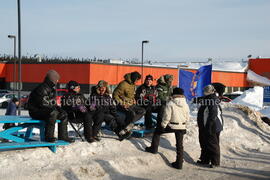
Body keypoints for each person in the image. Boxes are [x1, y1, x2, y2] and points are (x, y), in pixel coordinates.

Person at [145, 88, 190, 169]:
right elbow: (187, 117)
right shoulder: (186, 104)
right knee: (180, 145)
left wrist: (163, 126)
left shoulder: (170, 103)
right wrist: (185, 125)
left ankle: (154, 149)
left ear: (174, 94)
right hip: (181, 126)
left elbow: (166, 117)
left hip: (172, 126)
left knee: (157, 131)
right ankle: (179, 163)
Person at [28, 70, 74, 143]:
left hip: (46, 110)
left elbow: (53, 103)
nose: (58, 81)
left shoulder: (51, 89)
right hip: (35, 111)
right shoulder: (41, 88)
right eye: (57, 79)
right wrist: (55, 109)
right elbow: (43, 103)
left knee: (63, 114)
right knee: (53, 113)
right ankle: (49, 137)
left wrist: (59, 109)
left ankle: (63, 136)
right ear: (52, 79)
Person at [197, 84, 224, 168]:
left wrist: (209, 126)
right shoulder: (208, 98)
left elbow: (213, 114)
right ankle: (205, 160)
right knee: (205, 143)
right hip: (206, 125)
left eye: (206, 90)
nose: (204, 91)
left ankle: (215, 162)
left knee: (212, 144)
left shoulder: (212, 99)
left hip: (212, 126)